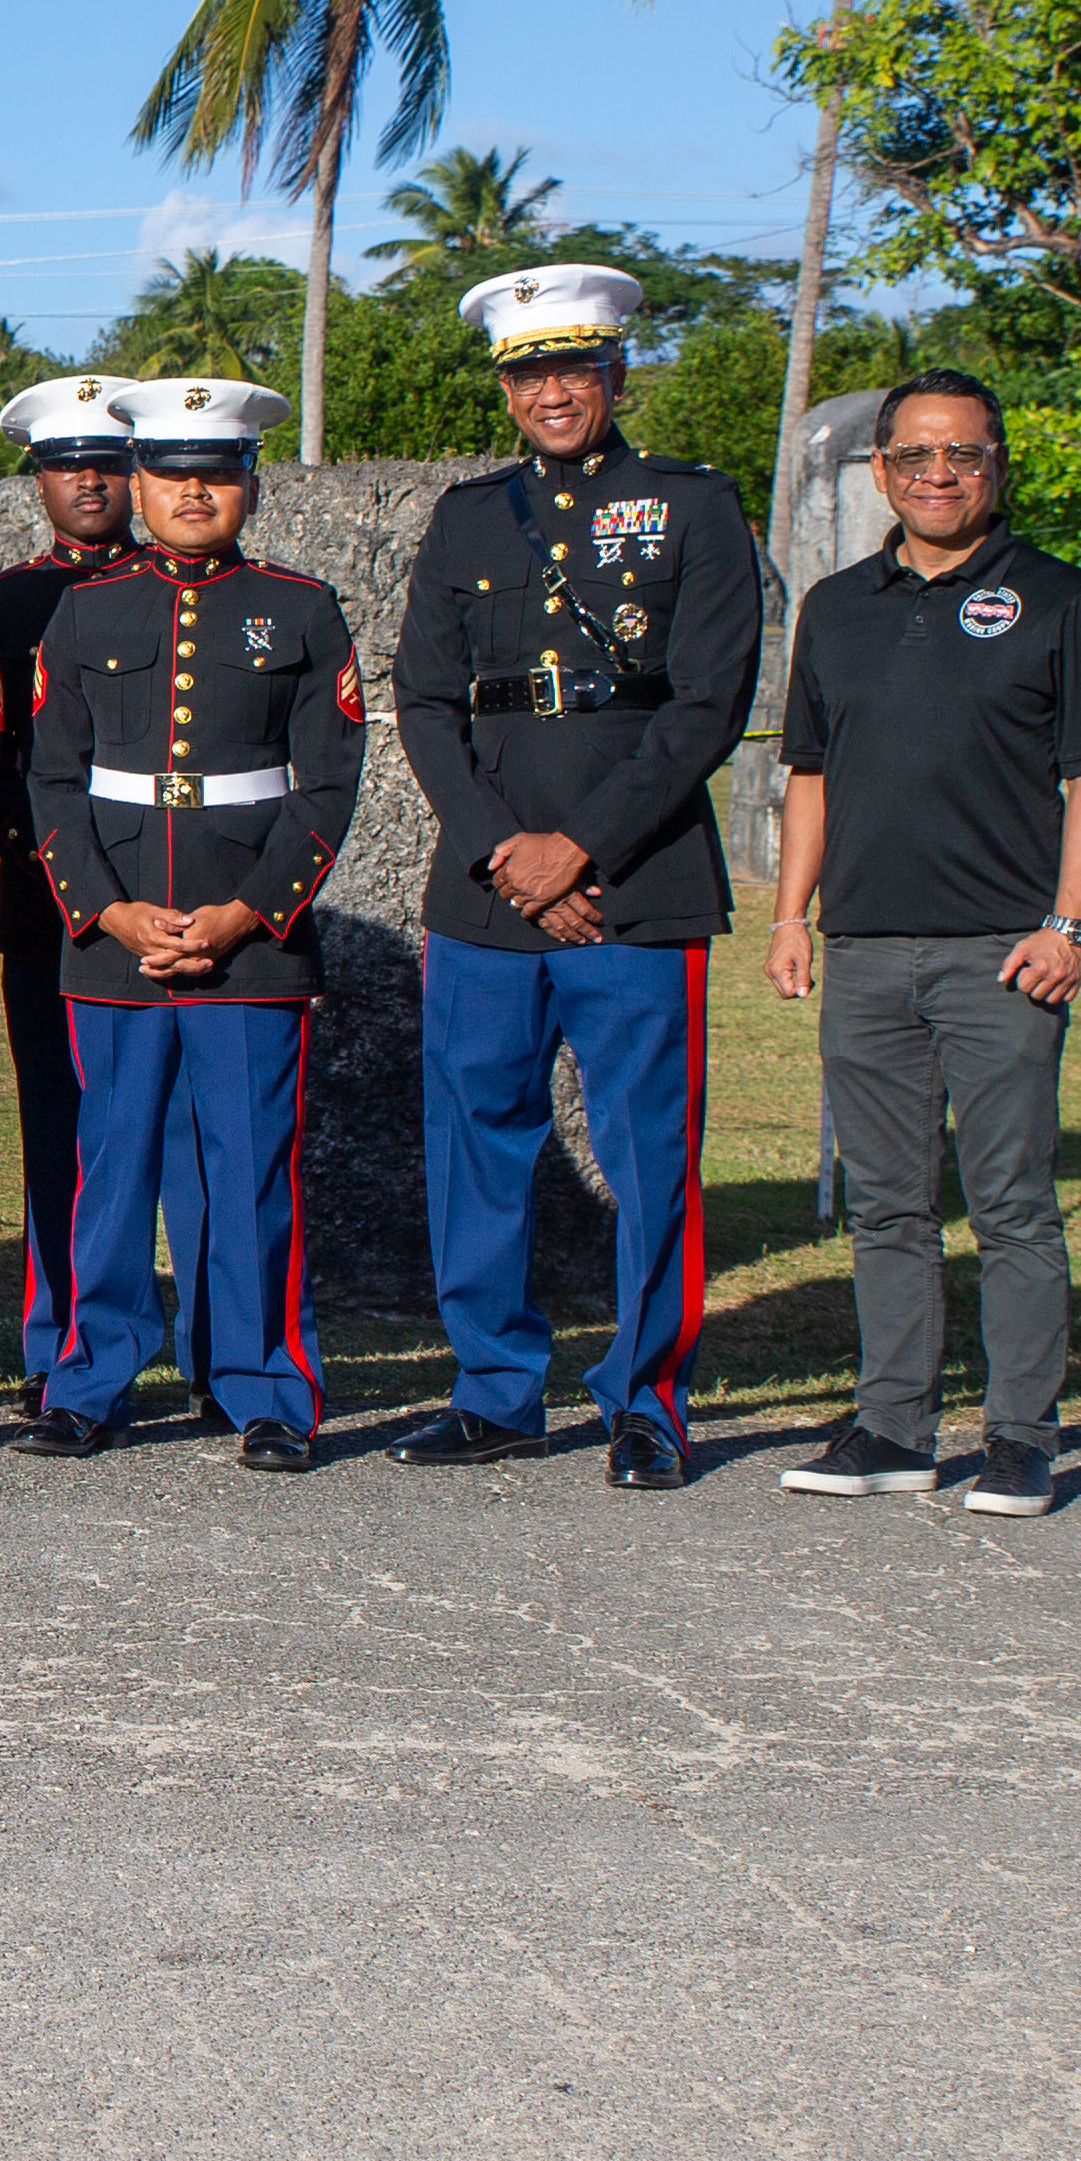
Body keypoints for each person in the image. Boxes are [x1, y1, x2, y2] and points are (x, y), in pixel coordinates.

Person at [392, 264, 758, 1491]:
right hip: (487, 888)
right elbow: (426, 703)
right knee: (477, 1138)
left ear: (614, 372)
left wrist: (579, 850)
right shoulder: (467, 516)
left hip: (638, 882)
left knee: (649, 1147)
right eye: (526, 371)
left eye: (573, 366)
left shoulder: (693, 506)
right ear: (504, 387)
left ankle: (646, 1399)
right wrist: (511, 852)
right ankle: (495, 1390)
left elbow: (707, 703)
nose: (551, 390)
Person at [765, 370, 1081, 1523]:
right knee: (885, 1206)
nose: (938, 475)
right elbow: (809, 777)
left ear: (996, 466)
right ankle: (892, 1427)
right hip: (866, 947)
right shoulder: (834, 605)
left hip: (1002, 953)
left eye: (962, 456)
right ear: (880, 470)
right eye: (916, 457)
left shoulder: (1060, 598)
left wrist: (1069, 926)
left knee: (1013, 1201)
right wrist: (790, 916)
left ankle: (1020, 1436)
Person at [17, 378, 362, 1469]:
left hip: (248, 946)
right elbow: (51, 781)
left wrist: (245, 913)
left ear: (249, 485)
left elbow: (326, 784)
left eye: (214, 475)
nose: (192, 493)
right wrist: (107, 909)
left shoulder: (299, 607)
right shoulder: (84, 608)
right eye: (170, 475)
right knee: (109, 1169)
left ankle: (262, 1385)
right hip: (114, 944)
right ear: (138, 484)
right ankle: (88, 1382)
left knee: (249, 1167)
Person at [0, 374, 153, 1406]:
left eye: (106, 460)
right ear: (36, 480)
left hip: (183, 896)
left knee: (178, 1132)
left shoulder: (192, 588)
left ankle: (208, 1339)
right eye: (64, 464)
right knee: (60, 1126)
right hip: (49, 902)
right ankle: (59, 1338)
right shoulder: (1, 606)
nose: (87, 479)